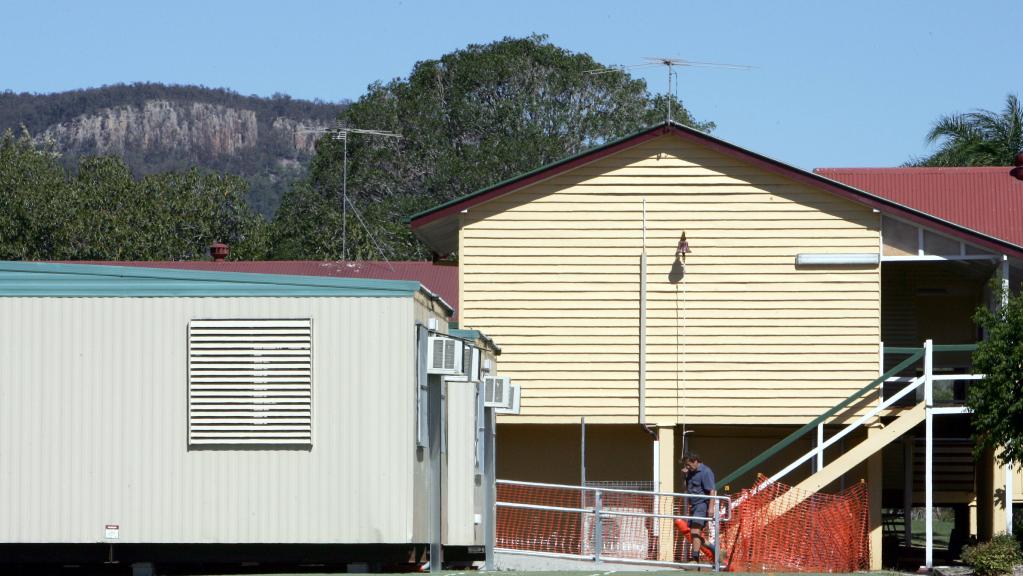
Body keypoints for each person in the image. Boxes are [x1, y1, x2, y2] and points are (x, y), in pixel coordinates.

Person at [683, 451, 716, 563]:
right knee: (694, 534)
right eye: (686, 465)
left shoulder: (706, 472)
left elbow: (712, 490)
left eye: (688, 464)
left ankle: (695, 559)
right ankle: (715, 549)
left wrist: (711, 508)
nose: (687, 467)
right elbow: (686, 488)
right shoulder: (690, 472)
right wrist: (685, 475)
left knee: (695, 531)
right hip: (693, 505)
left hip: (702, 505)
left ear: (695, 461)